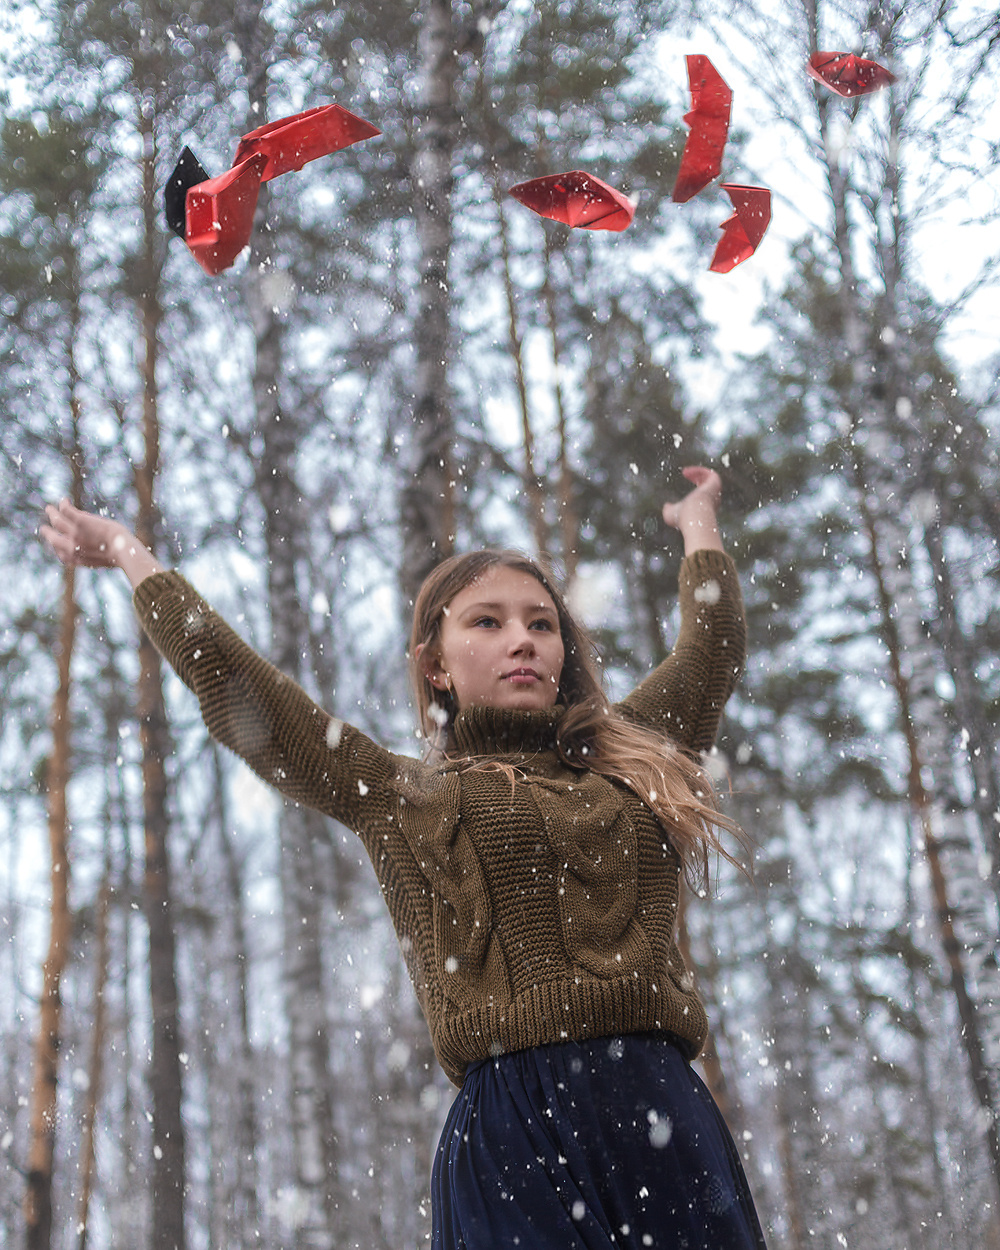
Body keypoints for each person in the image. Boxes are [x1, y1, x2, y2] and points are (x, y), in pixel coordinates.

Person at [41, 466, 766, 1249]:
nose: (521, 637)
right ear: (437, 665)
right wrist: (128, 552)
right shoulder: (398, 793)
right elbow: (242, 691)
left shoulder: (629, 754)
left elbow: (712, 644)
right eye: (486, 622)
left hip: (657, 1110)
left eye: (541, 623)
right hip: (511, 1134)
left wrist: (698, 523)